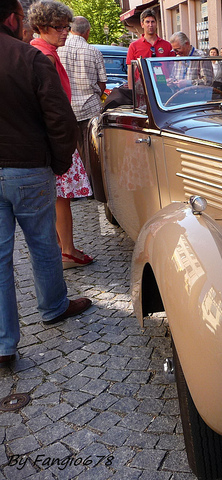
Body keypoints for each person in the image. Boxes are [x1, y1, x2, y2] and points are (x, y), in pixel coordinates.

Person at [0, 0, 91, 368]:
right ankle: (53, 306)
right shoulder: (30, 58)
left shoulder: (34, 55)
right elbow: (59, 117)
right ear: (12, 18)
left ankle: (4, 345)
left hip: (22, 165)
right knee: (42, 243)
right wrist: (58, 161)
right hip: (28, 167)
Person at [29, 0, 94, 269]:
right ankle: (66, 251)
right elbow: (50, 106)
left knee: (58, 195)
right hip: (53, 137)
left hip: (49, 135)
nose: (65, 31)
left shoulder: (44, 51)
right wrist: (62, 143)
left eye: (66, 26)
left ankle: (64, 247)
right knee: (61, 196)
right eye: (58, 27)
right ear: (42, 27)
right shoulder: (42, 55)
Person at [58, 16, 107, 182]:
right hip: (89, 107)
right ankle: (91, 186)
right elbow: (102, 83)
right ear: (87, 32)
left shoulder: (58, 50)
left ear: (70, 29)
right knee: (91, 149)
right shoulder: (94, 52)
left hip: (66, 107)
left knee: (69, 148)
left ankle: (73, 186)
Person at [126, 8, 174, 89]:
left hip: (164, 86)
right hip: (143, 87)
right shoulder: (134, 46)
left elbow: (173, 68)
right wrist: (131, 92)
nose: (150, 25)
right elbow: (131, 71)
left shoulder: (167, 45)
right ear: (142, 24)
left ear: (156, 23)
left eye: (153, 22)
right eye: (147, 22)